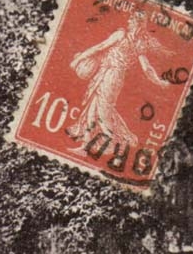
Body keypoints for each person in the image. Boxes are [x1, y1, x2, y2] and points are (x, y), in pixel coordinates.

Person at [67, 9, 171, 152]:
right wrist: (159, 81)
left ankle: (115, 143)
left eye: (131, 20)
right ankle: (85, 145)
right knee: (93, 108)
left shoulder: (122, 35)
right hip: (110, 74)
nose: (128, 22)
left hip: (111, 75)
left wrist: (78, 59)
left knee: (103, 110)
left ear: (136, 23)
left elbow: (100, 47)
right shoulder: (139, 44)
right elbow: (147, 68)